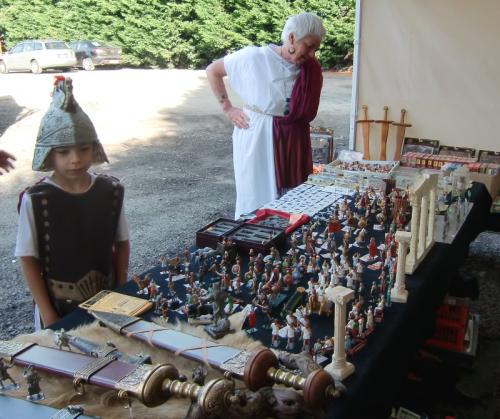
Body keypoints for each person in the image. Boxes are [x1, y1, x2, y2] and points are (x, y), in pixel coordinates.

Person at [15, 76, 130, 329]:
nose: (75, 159)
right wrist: (48, 313)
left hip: (107, 299)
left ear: (94, 148)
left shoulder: (111, 190)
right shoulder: (36, 200)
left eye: (84, 149)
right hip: (57, 306)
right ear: (48, 153)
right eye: (63, 152)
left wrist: (122, 287)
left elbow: (122, 243)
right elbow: (28, 258)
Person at [206, 12, 325, 218]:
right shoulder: (255, 57)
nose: (312, 54)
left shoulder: (310, 68)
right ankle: (252, 240)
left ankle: (289, 240)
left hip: (294, 137)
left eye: (316, 48)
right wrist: (228, 108)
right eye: (309, 46)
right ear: (291, 38)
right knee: (256, 194)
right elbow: (213, 70)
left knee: (294, 198)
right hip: (258, 135)